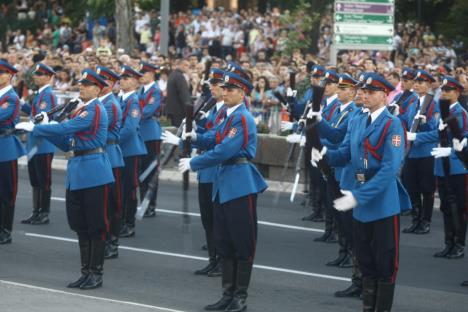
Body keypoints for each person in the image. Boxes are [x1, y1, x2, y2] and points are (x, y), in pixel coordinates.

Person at [312, 73, 411, 311]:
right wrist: (324, 156)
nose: (363, 95)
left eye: (370, 92)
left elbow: (389, 169)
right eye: (363, 91)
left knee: (385, 263)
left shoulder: (392, 124)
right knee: (365, 260)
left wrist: (359, 196)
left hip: (381, 202)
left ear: (384, 96)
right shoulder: (358, 119)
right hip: (359, 199)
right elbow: (345, 153)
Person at [16, 69, 114, 289]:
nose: (82, 87)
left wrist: (42, 126)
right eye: (81, 83)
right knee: (80, 225)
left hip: (94, 171)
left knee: (96, 225)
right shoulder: (80, 110)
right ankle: (85, 272)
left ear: (97, 89)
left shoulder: (95, 109)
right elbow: (66, 142)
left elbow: (69, 128)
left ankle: (96, 274)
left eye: (87, 85)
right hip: (78, 169)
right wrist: (44, 127)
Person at [178, 71, 268, 312]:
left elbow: (226, 149)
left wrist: (194, 163)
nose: (225, 92)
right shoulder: (227, 117)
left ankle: (239, 297)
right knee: (224, 242)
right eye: (224, 89)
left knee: (242, 242)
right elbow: (213, 137)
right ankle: (227, 294)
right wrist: (195, 136)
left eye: (230, 89)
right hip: (224, 182)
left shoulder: (242, 118)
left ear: (242, 93)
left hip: (239, 183)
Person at [162, 68, 227, 277]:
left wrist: (183, 140)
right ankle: (213, 259)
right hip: (205, 169)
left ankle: (222, 261)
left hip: (216, 169)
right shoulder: (210, 107)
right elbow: (202, 131)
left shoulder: (225, 111)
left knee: (218, 219)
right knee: (208, 218)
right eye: (212, 84)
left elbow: (215, 139)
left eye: (217, 85)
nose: (213, 88)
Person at [311, 73, 358, 268]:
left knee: (347, 218)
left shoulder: (353, 112)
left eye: (344, 88)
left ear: (354, 92)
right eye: (339, 88)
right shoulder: (339, 110)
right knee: (337, 213)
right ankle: (343, 251)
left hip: (344, 169)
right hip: (334, 166)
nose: (339, 91)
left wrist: (320, 122)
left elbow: (337, 137)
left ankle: (352, 255)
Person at [420, 76, 468, 259]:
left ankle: (458, 245)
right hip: (442, 166)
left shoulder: (460, 113)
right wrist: (415, 137)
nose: (444, 93)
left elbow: (465, 138)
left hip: (457, 167)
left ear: (457, 93)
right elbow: (435, 134)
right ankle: (449, 243)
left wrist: (452, 150)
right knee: (447, 207)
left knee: (458, 208)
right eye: (443, 90)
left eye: (448, 90)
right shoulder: (445, 112)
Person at [20, 63, 57, 225]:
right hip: (35, 142)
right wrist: (23, 105)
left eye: (40, 74)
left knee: (43, 179)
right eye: (36, 74)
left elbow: (42, 118)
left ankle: (44, 213)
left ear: (49, 77)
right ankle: (36, 211)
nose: (36, 76)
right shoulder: (40, 94)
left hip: (43, 143)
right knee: (35, 179)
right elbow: (34, 113)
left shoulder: (47, 95)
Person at [403, 70, 439, 234]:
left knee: (427, 188)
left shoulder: (434, 104)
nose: (417, 84)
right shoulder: (413, 104)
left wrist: (420, 132)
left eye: (422, 82)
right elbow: (405, 122)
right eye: (416, 81)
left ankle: (425, 222)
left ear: (429, 85)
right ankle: (416, 220)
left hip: (426, 153)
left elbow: (437, 131)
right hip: (412, 152)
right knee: (412, 186)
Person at [96, 65, 124, 259]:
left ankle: (112, 242)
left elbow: (98, 131)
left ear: (112, 83)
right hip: (103, 155)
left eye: (104, 80)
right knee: (101, 202)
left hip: (110, 155)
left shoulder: (110, 104)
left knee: (111, 202)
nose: (100, 84)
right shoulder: (99, 102)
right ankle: (104, 238)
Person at [118, 65, 147, 238]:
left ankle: (129, 224)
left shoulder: (133, 101)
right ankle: (121, 220)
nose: (122, 80)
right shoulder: (121, 99)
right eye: (121, 78)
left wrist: (113, 142)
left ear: (136, 82)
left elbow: (129, 128)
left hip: (129, 150)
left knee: (129, 187)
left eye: (126, 78)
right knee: (120, 187)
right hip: (122, 149)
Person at [0, 60, 26, 244]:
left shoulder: (11, 98)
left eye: (2, 73)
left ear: (9, 76)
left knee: (6, 192)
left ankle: (5, 230)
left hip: (5, 147)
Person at [138, 61, 162, 218]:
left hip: (151, 134)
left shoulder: (155, 91)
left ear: (152, 73)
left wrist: (132, 113)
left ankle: (150, 204)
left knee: (150, 171)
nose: (141, 76)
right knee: (141, 171)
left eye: (144, 73)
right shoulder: (141, 90)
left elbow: (148, 111)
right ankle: (143, 203)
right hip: (140, 133)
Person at [166, 59, 191, 127]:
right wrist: (189, 110)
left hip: (172, 110)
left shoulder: (172, 75)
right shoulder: (180, 76)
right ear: (182, 65)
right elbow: (184, 95)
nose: (188, 68)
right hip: (179, 111)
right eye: (186, 65)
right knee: (180, 132)